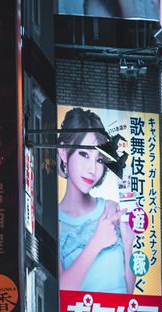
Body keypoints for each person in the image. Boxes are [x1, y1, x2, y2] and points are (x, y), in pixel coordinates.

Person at [57, 107, 135, 295]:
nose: (92, 168)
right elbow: (60, 290)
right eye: (84, 154)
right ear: (64, 152)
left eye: (100, 160)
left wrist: (128, 244)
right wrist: (96, 242)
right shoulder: (53, 222)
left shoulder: (112, 209)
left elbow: (129, 291)